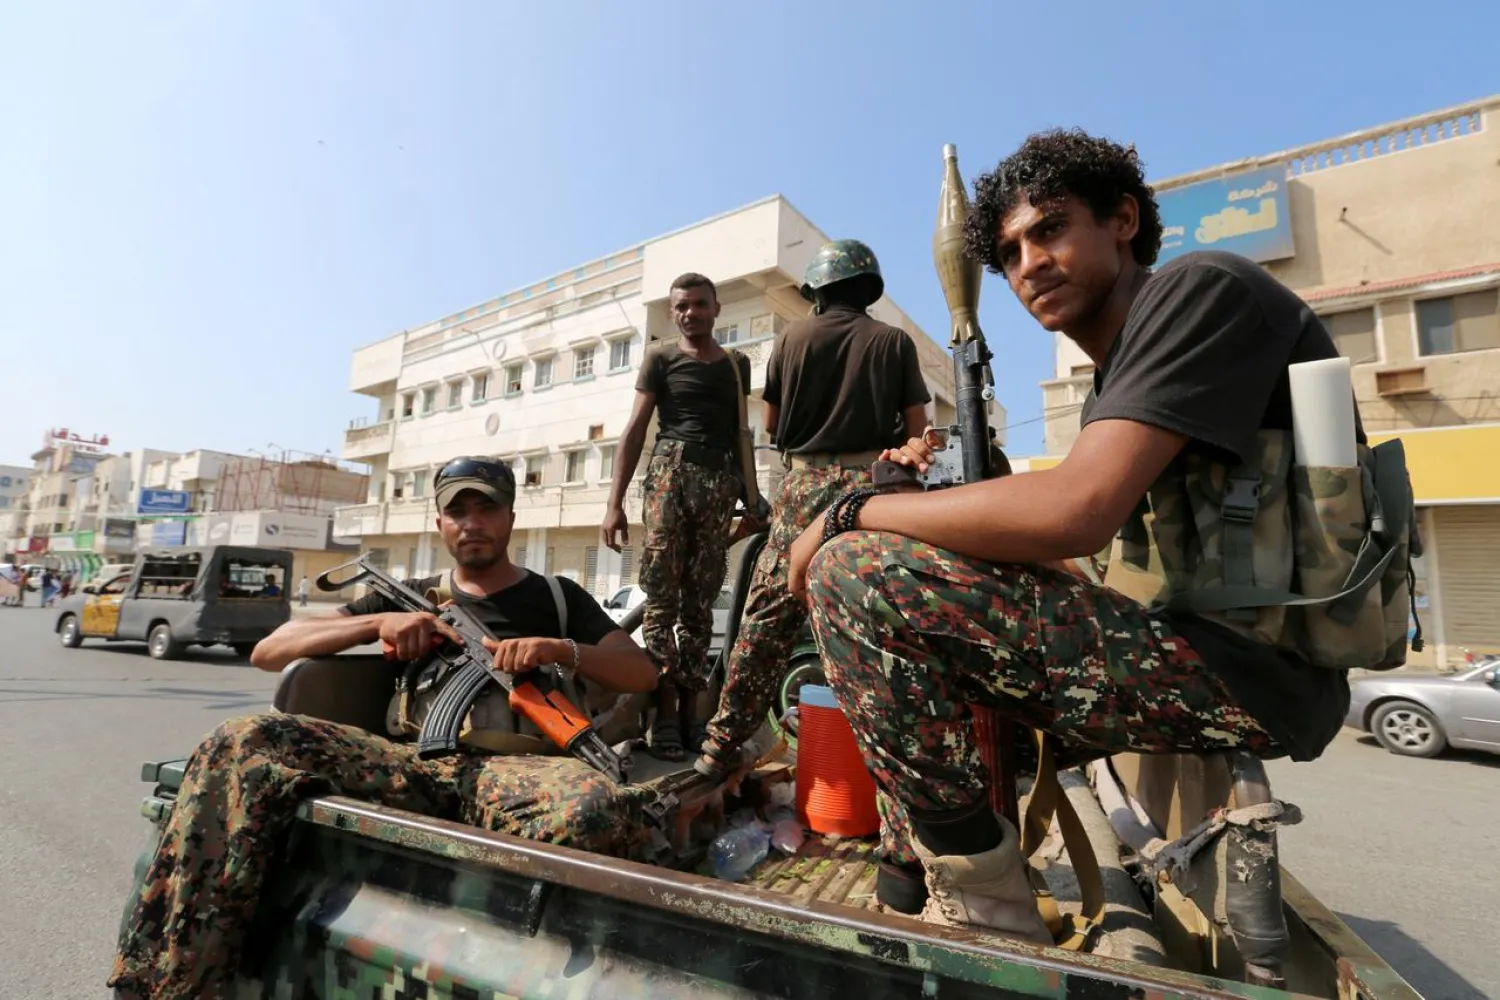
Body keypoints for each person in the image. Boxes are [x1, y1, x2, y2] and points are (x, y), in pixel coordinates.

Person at [788, 129, 1373, 942]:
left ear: (1123, 220)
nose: (1030, 264)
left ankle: (989, 909)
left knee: (857, 573)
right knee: (919, 654)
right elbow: (1082, 553)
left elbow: (1077, 510)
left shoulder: (1201, 292)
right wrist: (929, 518)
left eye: (1052, 229)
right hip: (1190, 645)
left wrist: (846, 515)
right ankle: (915, 872)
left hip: (1249, 671)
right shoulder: (1120, 375)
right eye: (1010, 253)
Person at [109, 455, 661, 1000]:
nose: (472, 523)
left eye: (487, 509)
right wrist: (378, 623)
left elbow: (641, 673)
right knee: (241, 740)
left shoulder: (559, 598)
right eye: (458, 511)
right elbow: (270, 651)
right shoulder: (408, 594)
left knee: (596, 808)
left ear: (511, 517)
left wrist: (560, 649)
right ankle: (174, 975)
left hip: (522, 770)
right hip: (410, 760)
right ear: (440, 523)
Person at [690, 239, 932, 907]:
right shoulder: (893, 342)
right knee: (879, 643)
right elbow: (917, 431)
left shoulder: (790, 340)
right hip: (868, 493)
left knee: (764, 626)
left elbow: (771, 425)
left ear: (818, 290)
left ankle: (715, 753)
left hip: (799, 489)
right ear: (868, 287)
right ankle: (902, 841)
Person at [602, 272, 754, 761]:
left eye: (699, 304)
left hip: (719, 484)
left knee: (700, 602)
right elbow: (635, 429)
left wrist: (751, 495)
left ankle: (692, 708)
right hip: (669, 477)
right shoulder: (660, 359)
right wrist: (614, 503)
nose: (691, 313)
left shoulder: (736, 365)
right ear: (673, 313)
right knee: (662, 599)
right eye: (682, 306)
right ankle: (665, 708)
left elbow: (741, 433)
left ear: (716, 308)